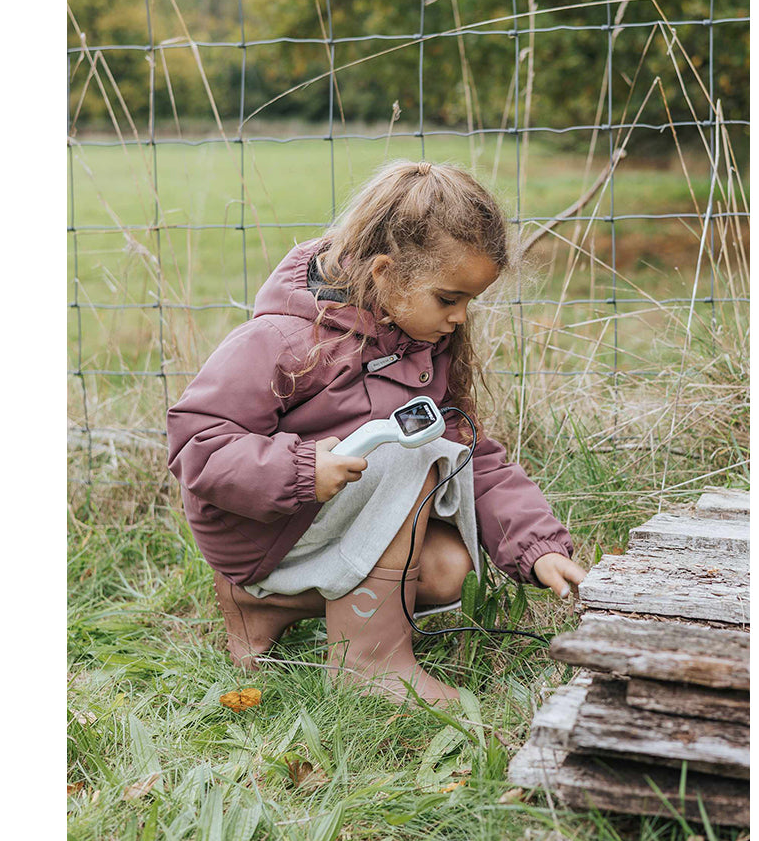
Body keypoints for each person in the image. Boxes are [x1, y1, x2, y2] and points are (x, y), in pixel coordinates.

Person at [167, 160, 587, 708]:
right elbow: (197, 442)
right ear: (386, 273)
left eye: (469, 302)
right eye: (448, 298)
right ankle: (368, 662)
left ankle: (262, 607)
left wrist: (537, 547)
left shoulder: (418, 347)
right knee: (411, 454)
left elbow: (472, 455)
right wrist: (299, 469)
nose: (460, 318)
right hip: (262, 526)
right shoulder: (283, 339)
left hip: (319, 520)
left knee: (445, 571)